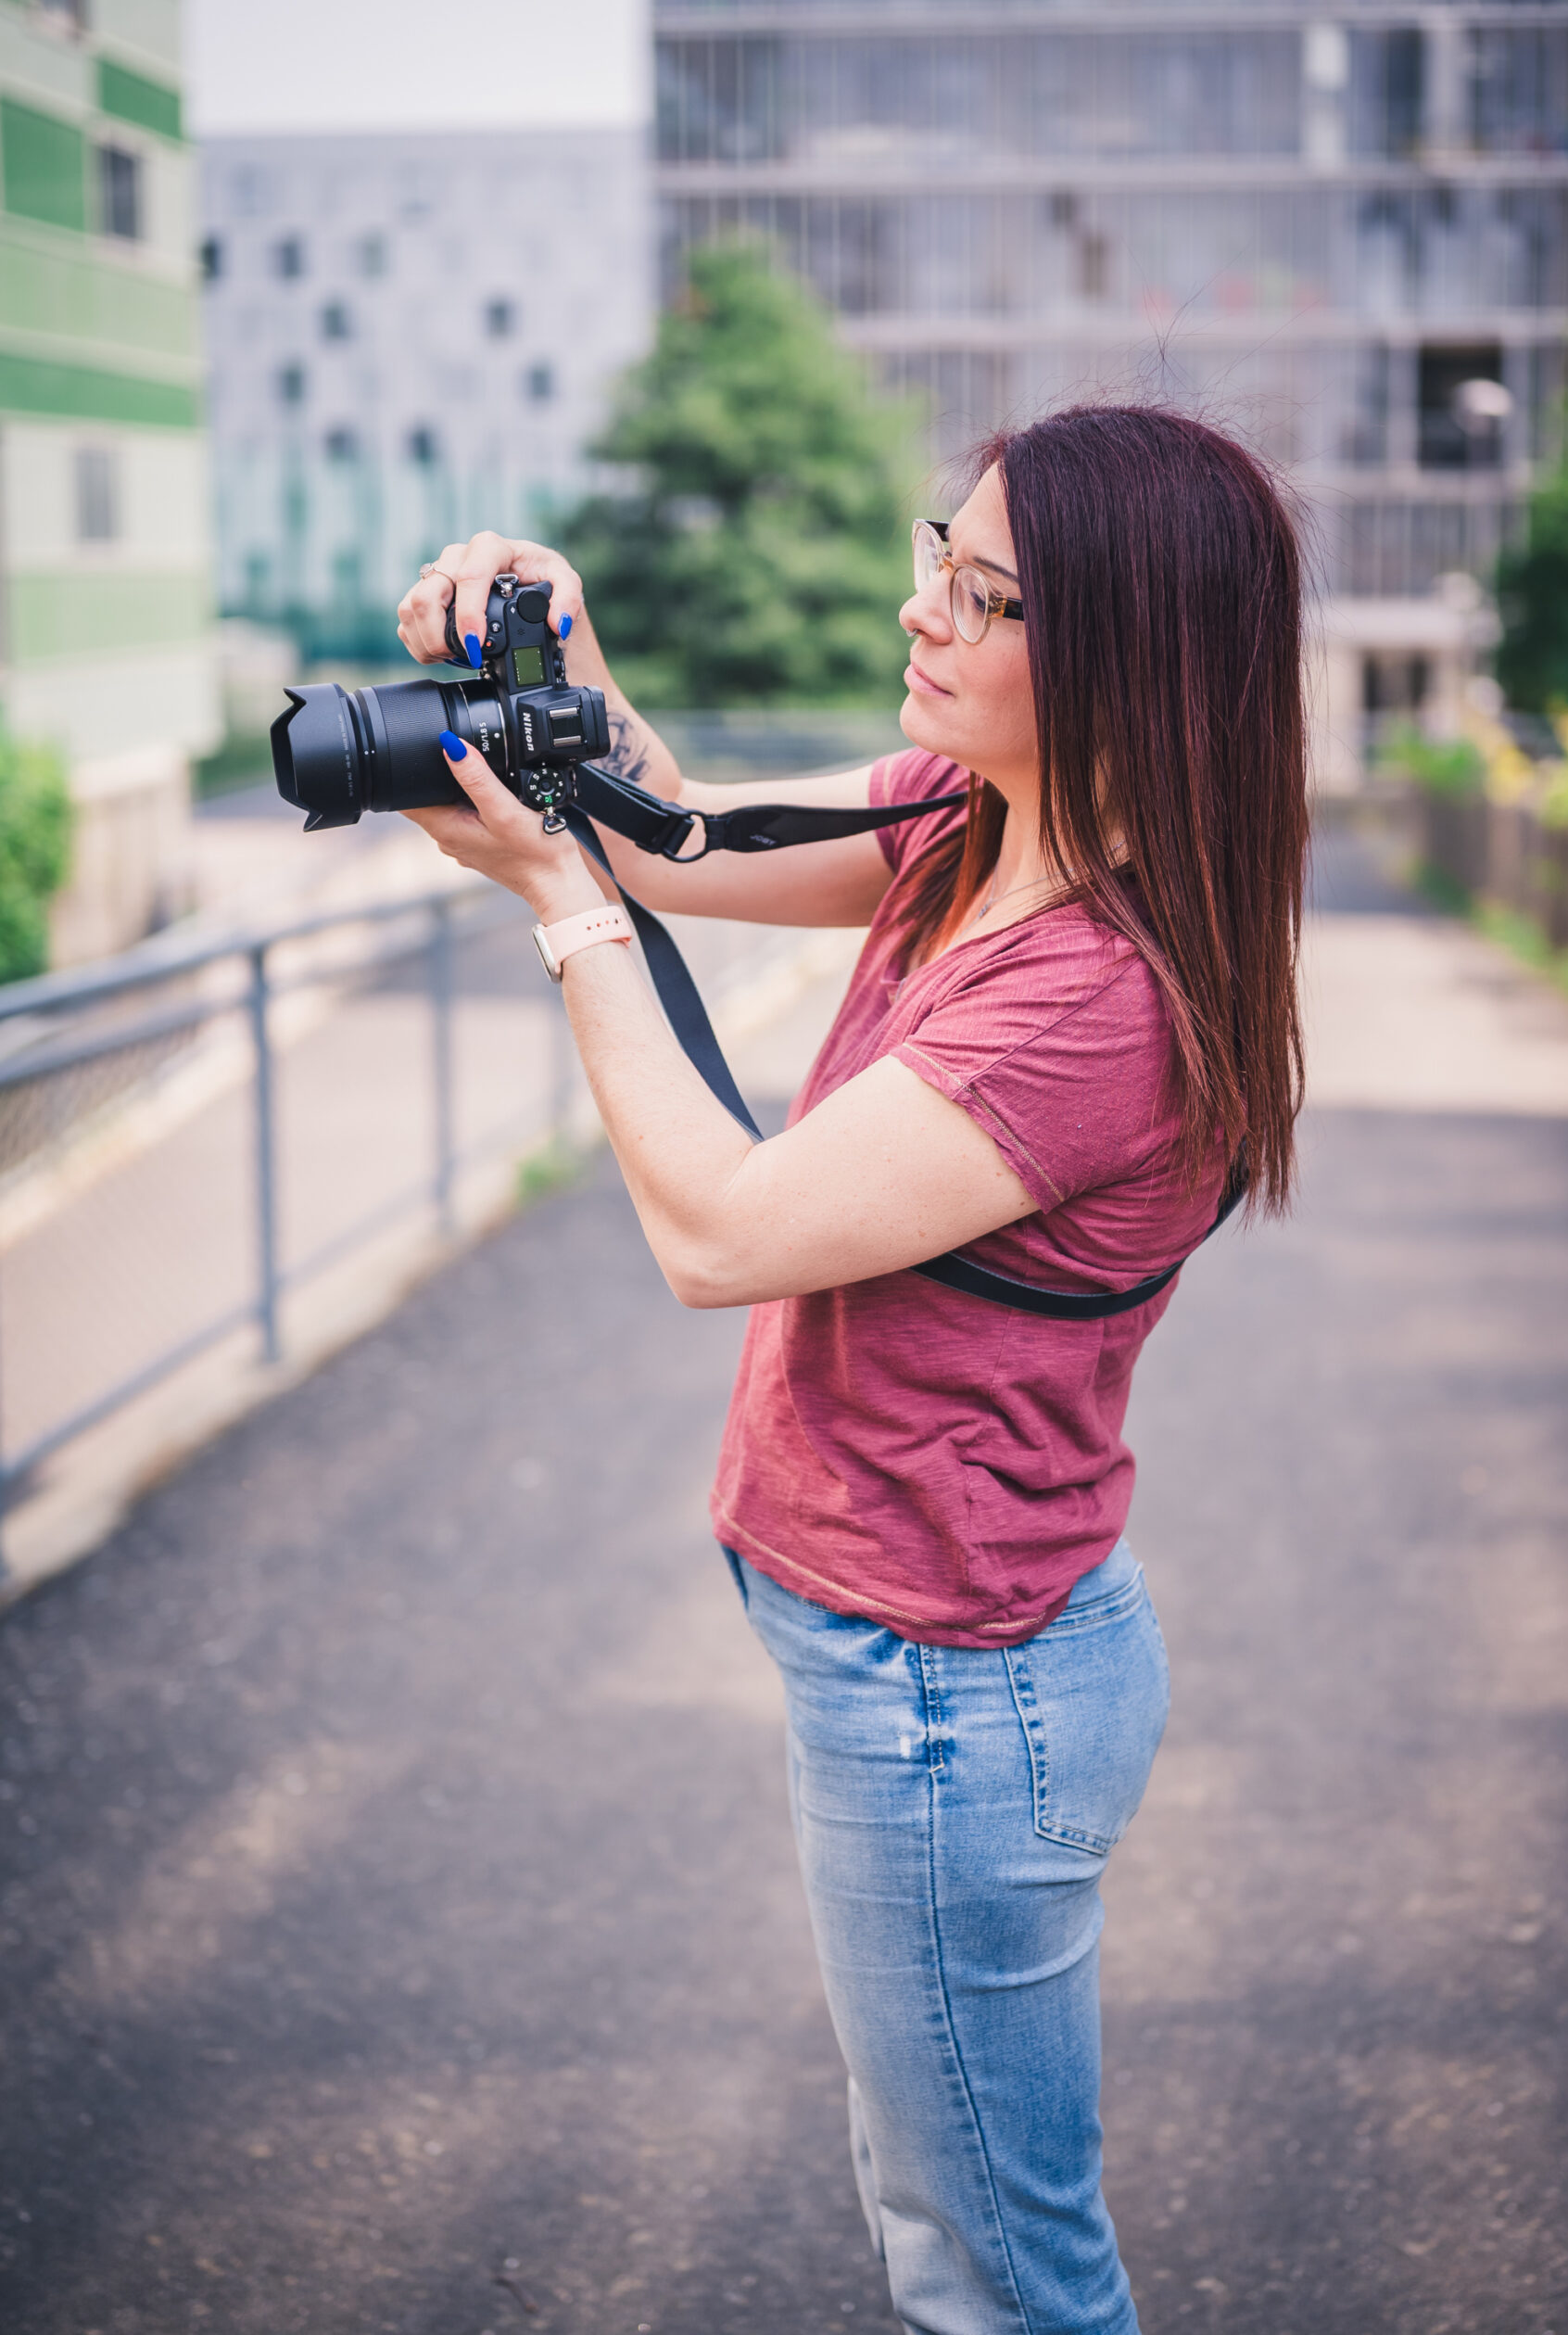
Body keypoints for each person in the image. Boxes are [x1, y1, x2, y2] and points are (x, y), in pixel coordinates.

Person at [395, 404, 1308, 2335]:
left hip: (953, 1693)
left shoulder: (1094, 999)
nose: (922, 610)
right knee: (951, 2216)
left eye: (984, 596)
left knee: (992, 2270)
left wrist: (561, 901)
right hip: (927, 1646)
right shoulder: (961, 816)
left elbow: (719, 1231)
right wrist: (573, 680)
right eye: (937, 552)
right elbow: (693, 838)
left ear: (1134, 656)